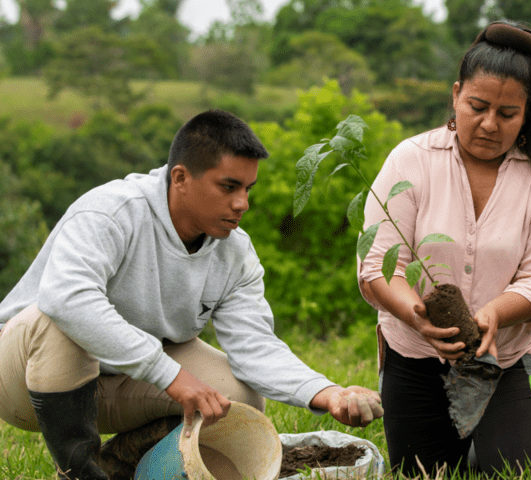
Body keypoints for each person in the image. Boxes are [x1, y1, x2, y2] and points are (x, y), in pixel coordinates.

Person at [0, 109, 383, 480]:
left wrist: (327, 392)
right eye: (228, 187)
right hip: (24, 380)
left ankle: (117, 464)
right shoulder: (112, 211)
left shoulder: (234, 250)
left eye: (248, 189)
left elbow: (255, 345)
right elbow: (66, 298)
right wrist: (171, 376)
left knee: (238, 401)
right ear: (180, 178)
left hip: (117, 382)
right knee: (57, 319)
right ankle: (77, 473)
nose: (242, 203)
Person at [356, 20, 531, 476]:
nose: (490, 124)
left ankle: (493, 437)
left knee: (525, 470)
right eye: (477, 106)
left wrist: (493, 315)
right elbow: (378, 265)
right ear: (456, 95)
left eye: (508, 113)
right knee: (424, 473)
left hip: (514, 357)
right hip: (417, 356)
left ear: (527, 113)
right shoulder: (411, 161)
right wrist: (417, 316)